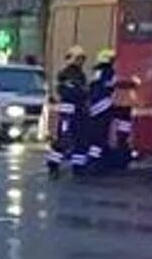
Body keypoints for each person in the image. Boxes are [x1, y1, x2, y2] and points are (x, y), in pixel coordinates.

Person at [48, 46, 88, 177]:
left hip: (77, 111)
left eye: (82, 59)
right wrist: (82, 92)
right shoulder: (66, 75)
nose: (81, 61)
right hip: (69, 113)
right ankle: (54, 165)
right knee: (64, 139)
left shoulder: (79, 75)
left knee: (79, 139)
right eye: (79, 58)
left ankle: (78, 167)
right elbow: (70, 92)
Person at [79, 49, 118, 174]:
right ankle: (95, 162)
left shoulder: (96, 71)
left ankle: (93, 159)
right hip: (103, 107)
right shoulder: (109, 71)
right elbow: (111, 86)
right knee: (100, 136)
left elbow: (92, 87)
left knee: (94, 135)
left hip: (93, 107)